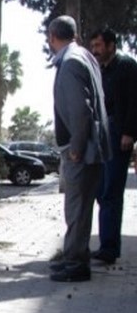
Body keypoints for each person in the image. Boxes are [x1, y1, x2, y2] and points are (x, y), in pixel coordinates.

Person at [48, 15, 111, 282]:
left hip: (82, 150)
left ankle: (75, 263)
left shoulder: (71, 62)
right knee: (80, 207)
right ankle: (75, 257)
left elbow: (79, 109)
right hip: (92, 147)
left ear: (52, 37)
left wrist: (75, 146)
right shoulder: (85, 56)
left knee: (76, 208)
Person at [88, 28, 137, 265]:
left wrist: (129, 132)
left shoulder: (127, 66)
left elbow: (134, 102)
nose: (95, 51)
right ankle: (106, 243)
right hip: (103, 134)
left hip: (120, 135)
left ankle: (109, 248)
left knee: (111, 192)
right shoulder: (101, 70)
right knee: (100, 189)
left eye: (98, 46)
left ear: (111, 45)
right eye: (93, 46)